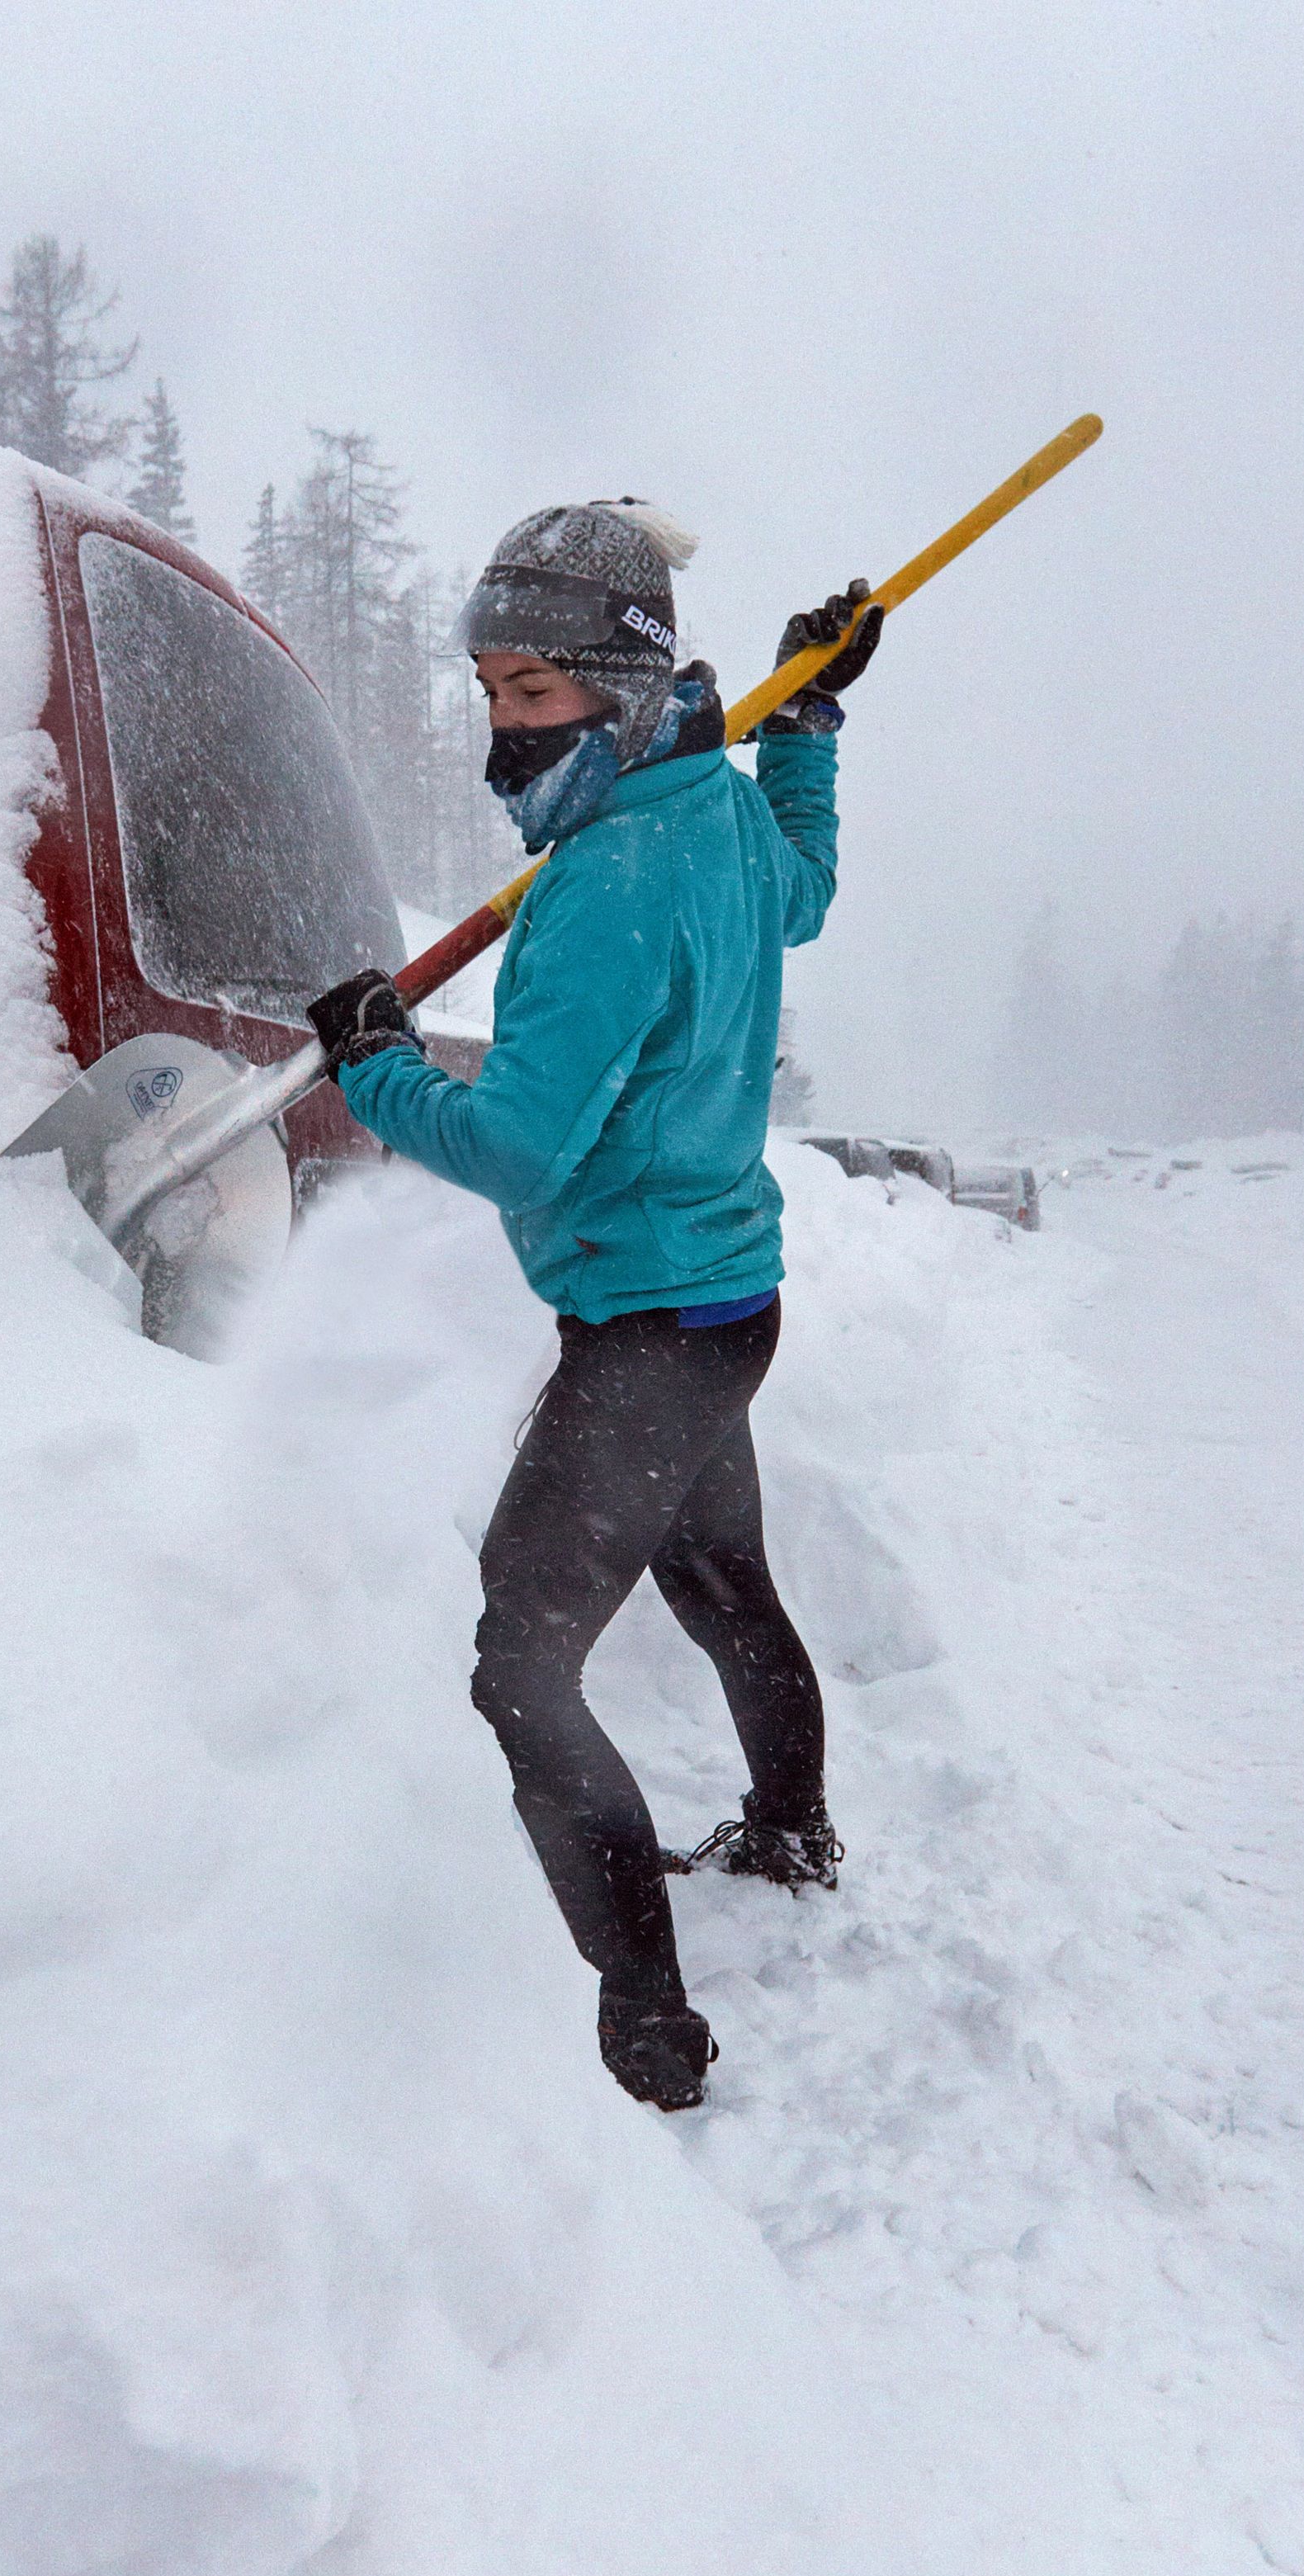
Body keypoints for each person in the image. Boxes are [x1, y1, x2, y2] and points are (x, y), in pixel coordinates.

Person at [303, 498, 879, 2111]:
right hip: (718, 1300)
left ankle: (643, 2027)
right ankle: (787, 1828)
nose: (502, 725)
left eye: (533, 692)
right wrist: (809, 724)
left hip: (642, 1325)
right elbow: (804, 891)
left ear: (617, 687)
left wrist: (374, 1064)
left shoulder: (603, 882)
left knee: (512, 1658)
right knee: (715, 1581)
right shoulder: (711, 806)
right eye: (486, 689)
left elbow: (513, 1142)